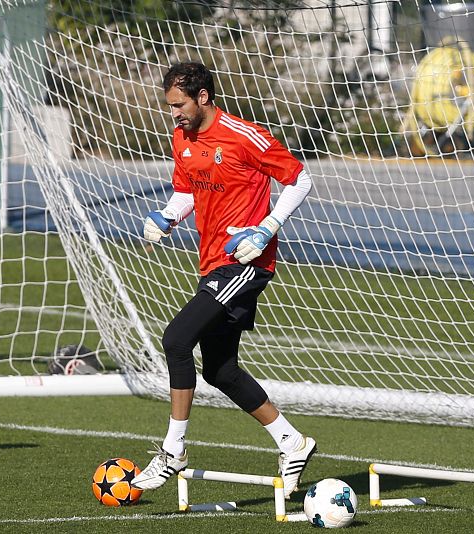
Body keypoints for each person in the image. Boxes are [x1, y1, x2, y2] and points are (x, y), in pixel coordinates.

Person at [131, 62, 315, 499]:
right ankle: (293, 441)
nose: (173, 114)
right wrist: (167, 217)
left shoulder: (244, 135)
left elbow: (300, 178)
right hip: (211, 263)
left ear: (204, 97)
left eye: (179, 105)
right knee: (219, 369)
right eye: (169, 106)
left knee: (176, 339)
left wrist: (267, 228)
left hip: (245, 262)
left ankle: (173, 450)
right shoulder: (182, 137)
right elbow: (187, 190)